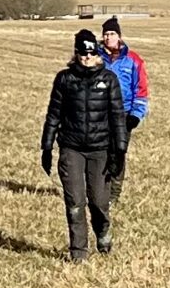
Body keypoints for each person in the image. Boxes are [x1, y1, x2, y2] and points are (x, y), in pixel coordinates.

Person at [40, 27, 128, 260]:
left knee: (99, 201)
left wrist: (119, 150)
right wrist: (46, 147)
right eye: (83, 53)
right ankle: (78, 251)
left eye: (91, 53)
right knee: (75, 202)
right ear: (76, 53)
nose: (87, 58)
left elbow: (117, 117)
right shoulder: (64, 79)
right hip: (71, 148)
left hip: (100, 150)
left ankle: (103, 233)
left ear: (97, 53)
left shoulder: (108, 79)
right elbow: (54, 114)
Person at [99, 17, 149, 196]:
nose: (108, 37)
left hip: (124, 114)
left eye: (112, 33)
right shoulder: (95, 58)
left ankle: (114, 193)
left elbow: (141, 90)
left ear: (119, 36)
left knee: (118, 153)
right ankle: (98, 191)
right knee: (99, 153)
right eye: (105, 34)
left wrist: (136, 115)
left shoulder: (133, 60)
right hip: (99, 113)